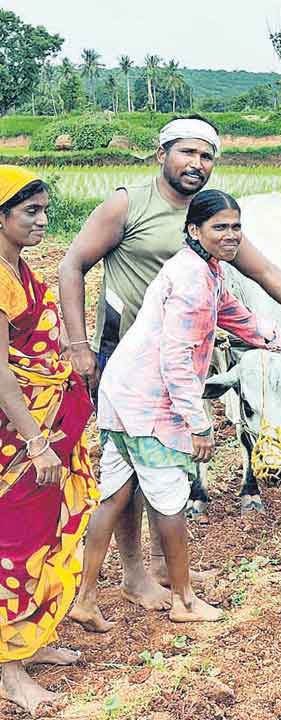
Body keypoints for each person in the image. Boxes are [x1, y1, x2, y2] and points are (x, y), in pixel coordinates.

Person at [57, 115, 281, 617]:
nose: (197, 164)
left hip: (168, 368)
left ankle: (160, 568)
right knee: (148, 477)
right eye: (187, 153)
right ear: (162, 155)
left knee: (145, 473)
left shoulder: (210, 238)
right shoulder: (129, 205)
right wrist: (78, 344)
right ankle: (145, 578)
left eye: (207, 156)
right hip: (133, 362)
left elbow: (260, 283)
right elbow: (71, 266)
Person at [0, 167, 97, 715]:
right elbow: (2, 373)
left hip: (49, 425)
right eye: (29, 212)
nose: (41, 221)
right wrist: (36, 442)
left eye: (43, 210)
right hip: (18, 437)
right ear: (1, 217)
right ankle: (8, 672)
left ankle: (28, 642)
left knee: (41, 532)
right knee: (11, 542)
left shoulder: (18, 267)